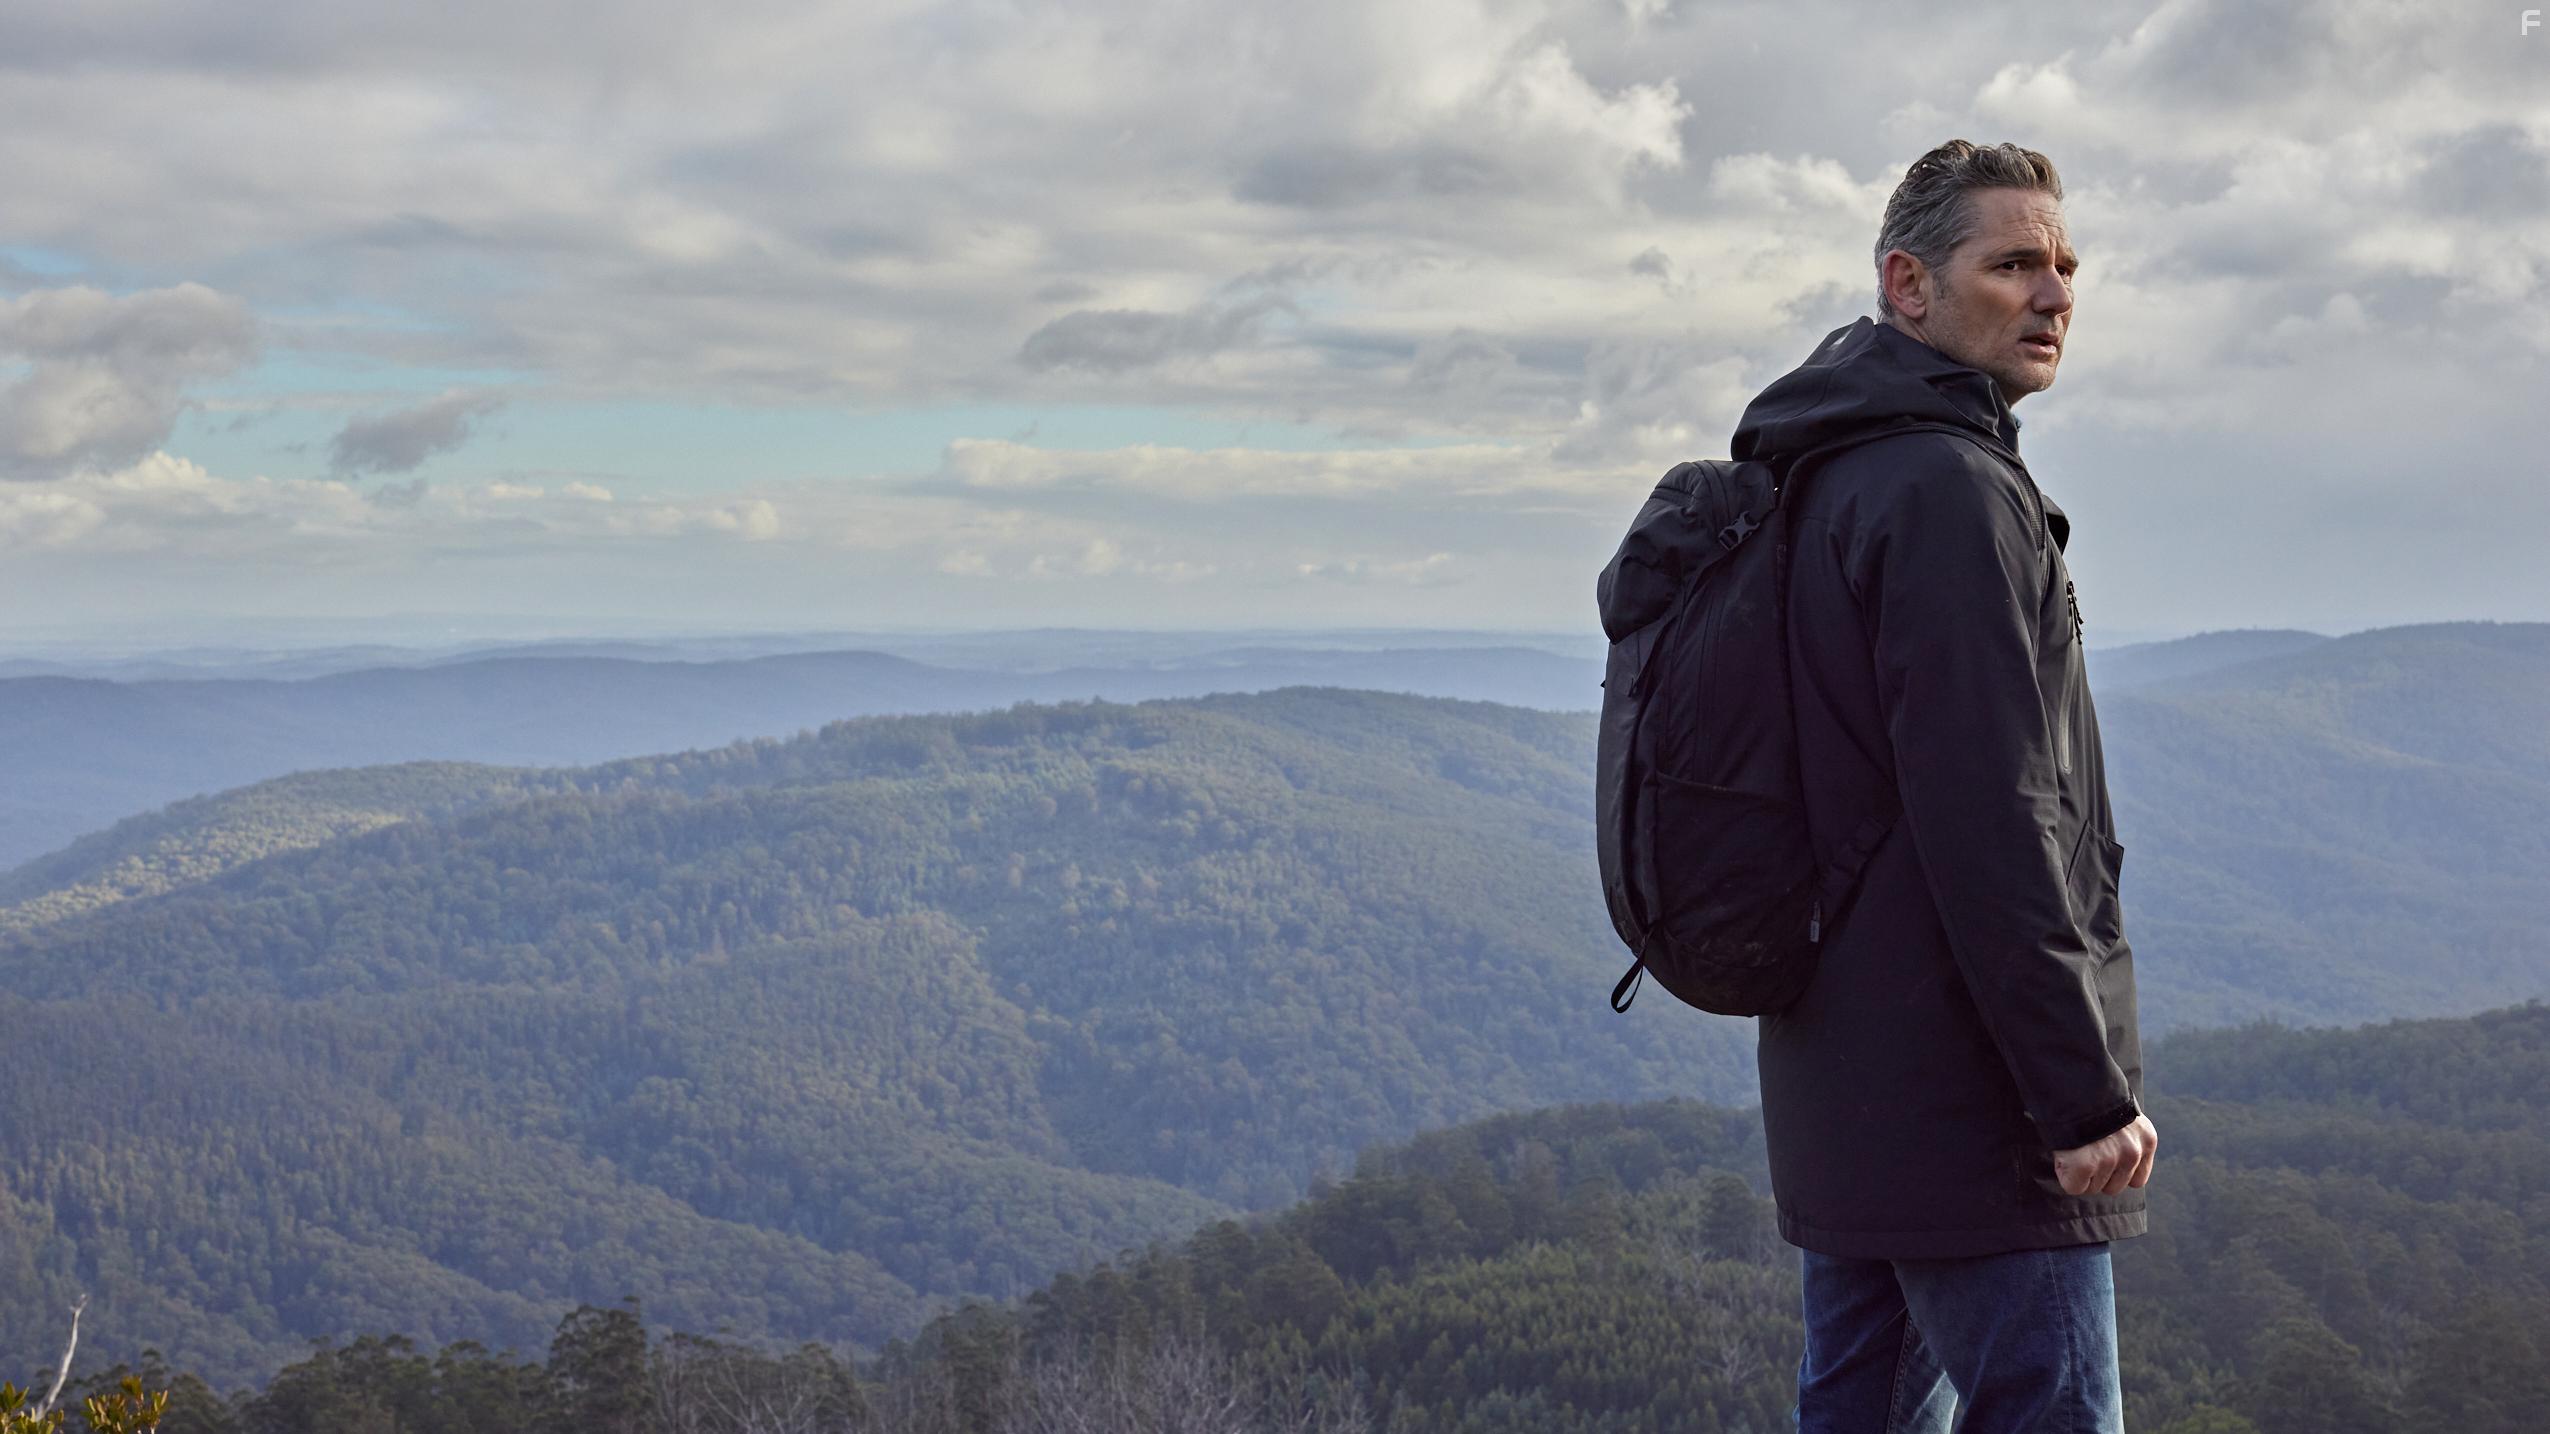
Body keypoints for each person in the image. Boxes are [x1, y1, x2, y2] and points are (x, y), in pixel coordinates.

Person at [1725, 139, 2158, 1431]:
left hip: (1842, 1076)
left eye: (2066, 265)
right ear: (1905, 285)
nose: (2053, 294)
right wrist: (2076, 1091)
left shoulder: (1820, 468)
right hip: (1972, 1096)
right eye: (2012, 262)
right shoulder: (1947, 490)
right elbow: (1996, 813)